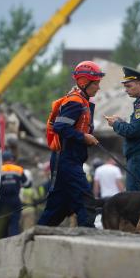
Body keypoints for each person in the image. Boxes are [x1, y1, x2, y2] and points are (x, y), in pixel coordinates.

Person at [38, 60, 105, 227]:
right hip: (66, 160)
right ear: (84, 81)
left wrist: (85, 137)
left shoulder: (81, 101)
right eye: (96, 83)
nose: (98, 87)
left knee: (58, 207)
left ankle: (38, 235)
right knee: (85, 200)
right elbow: (60, 127)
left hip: (68, 160)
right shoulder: (75, 102)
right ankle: (89, 237)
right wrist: (84, 137)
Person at [105, 66, 140, 191]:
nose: (126, 90)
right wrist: (122, 122)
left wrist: (115, 124)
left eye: (129, 86)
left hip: (139, 156)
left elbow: (133, 131)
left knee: (135, 197)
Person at [0, 150, 28, 238]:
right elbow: (27, 184)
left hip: (2, 201)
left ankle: (0, 242)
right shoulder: (18, 169)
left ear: (2, 160)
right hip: (15, 200)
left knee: (1, 223)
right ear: (11, 159)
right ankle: (14, 242)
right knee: (14, 223)